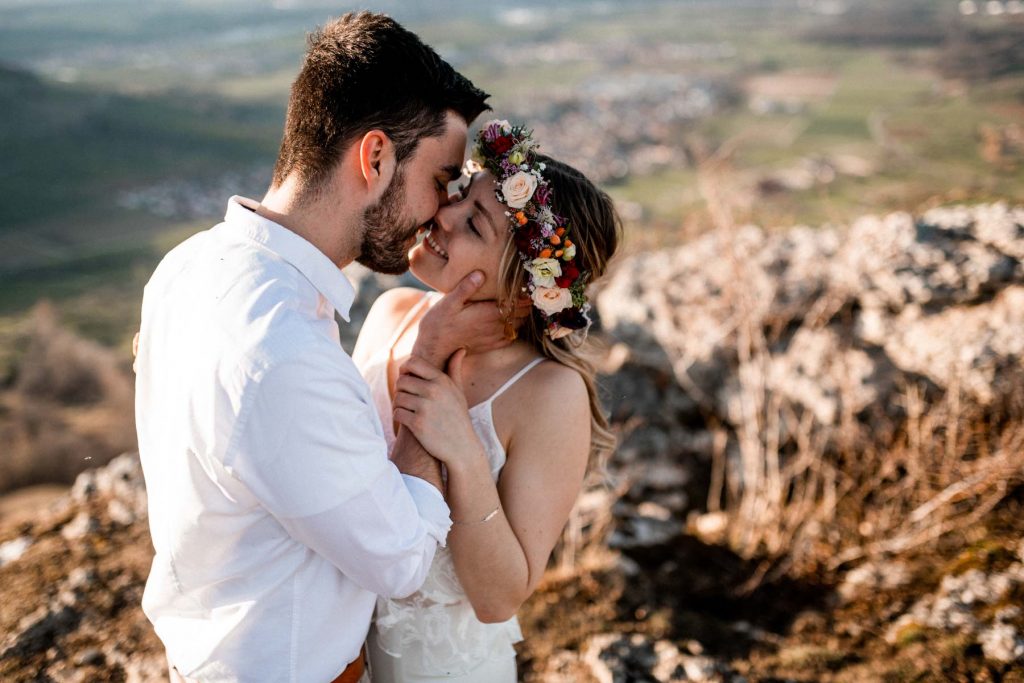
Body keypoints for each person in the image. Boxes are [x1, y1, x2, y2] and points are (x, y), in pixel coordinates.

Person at [134, 13, 507, 682]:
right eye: (441, 179)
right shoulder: (282, 351)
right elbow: (400, 558)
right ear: (375, 158)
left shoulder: (185, 268)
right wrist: (426, 362)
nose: (440, 211)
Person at [352, 120, 622, 682]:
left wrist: (466, 458)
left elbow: (500, 599)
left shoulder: (548, 394)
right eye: (461, 197)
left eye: (473, 223)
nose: (444, 216)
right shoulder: (390, 317)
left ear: (526, 287)